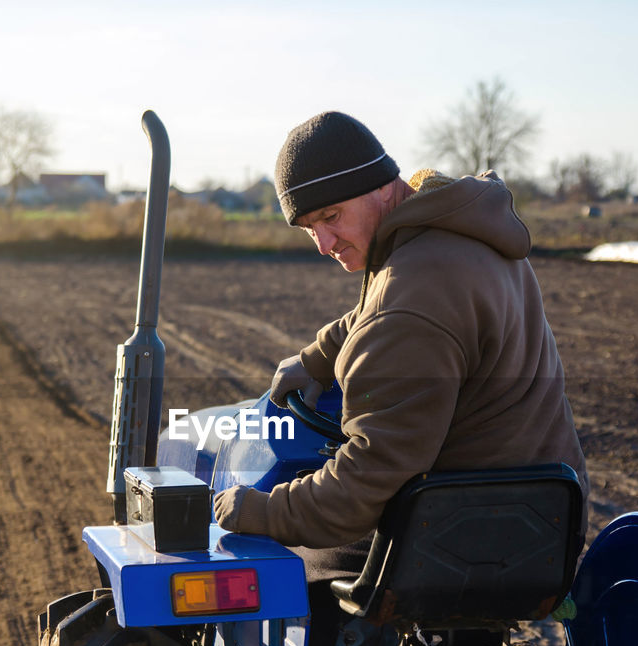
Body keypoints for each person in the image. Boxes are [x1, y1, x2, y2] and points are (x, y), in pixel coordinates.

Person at [212, 110, 588, 579]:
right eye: (310, 227)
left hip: (462, 538)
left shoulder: (408, 299)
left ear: (383, 187)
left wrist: (259, 511)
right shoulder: (458, 234)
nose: (324, 243)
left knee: (290, 567)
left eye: (332, 217)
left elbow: (357, 493)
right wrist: (318, 358)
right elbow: (381, 315)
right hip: (544, 515)